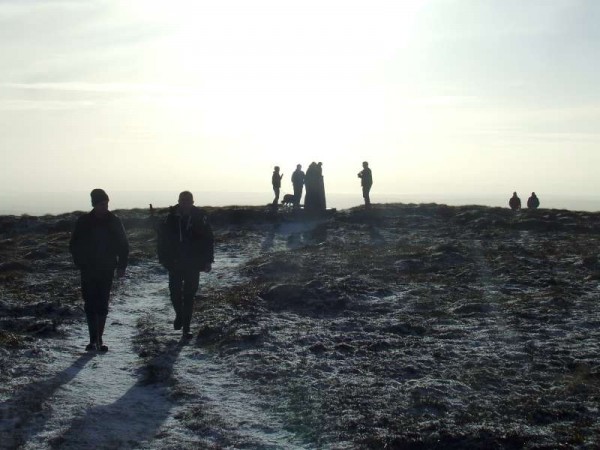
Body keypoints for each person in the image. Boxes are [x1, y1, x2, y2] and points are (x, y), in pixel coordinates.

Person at [69, 189, 129, 352]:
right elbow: (74, 244)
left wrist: (122, 266)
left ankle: (99, 339)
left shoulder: (114, 221)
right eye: (102, 204)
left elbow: (123, 244)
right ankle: (92, 339)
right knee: (89, 303)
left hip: (107, 267)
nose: (105, 207)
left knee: (102, 302)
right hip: (88, 268)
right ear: (94, 204)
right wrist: (80, 262)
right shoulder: (83, 221)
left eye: (106, 204)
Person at [157, 191, 214, 338]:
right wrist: (163, 258)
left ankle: (186, 329)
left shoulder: (200, 217)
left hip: (193, 262)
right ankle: (179, 315)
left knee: (189, 295)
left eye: (188, 201)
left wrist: (208, 260)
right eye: (183, 201)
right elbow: (162, 239)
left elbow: (208, 239)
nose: (185, 204)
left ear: (192, 202)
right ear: (179, 201)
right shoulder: (170, 218)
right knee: (175, 292)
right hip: (174, 262)